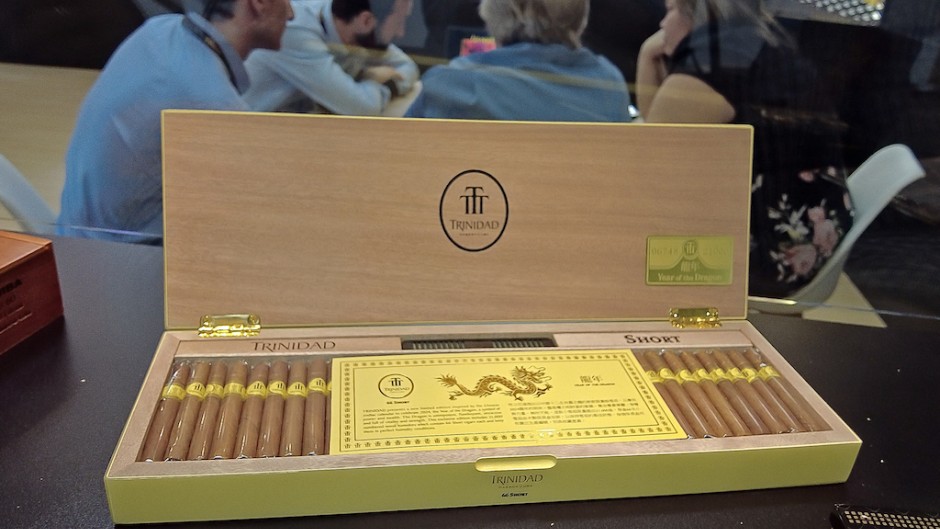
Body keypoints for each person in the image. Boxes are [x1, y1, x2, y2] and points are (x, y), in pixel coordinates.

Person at [636, 0, 855, 298]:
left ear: (696, 14)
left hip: (767, 254)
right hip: (817, 229)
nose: (662, 25)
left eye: (670, 10)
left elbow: (642, 158)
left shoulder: (709, 70)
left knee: (616, 234)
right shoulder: (759, 44)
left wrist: (646, 54)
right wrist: (650, 55)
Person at [57, 0, 294, 244]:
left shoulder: (158, 30)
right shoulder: (212, 103)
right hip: (110, 267)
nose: (291, 13)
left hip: (73, 237)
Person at [404, 0, 633, 122]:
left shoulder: (452, 84)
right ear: (580, 15)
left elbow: (398, 159)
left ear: (492, 12)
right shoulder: (609, 85)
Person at [242, 0, 420, 115]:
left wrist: (390, 85)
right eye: (399, 22)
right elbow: (363, 108)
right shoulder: (295, 30)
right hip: (250, 136)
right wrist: (376, 81)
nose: (401, 31)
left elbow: (408, 66)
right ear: (366, 21)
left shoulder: (359, 32)